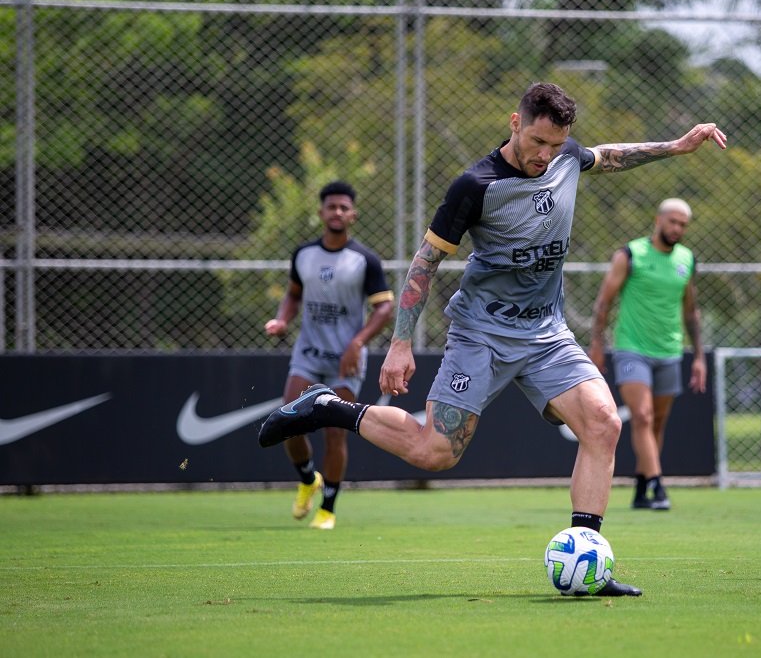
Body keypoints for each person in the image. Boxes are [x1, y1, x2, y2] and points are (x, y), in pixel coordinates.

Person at [260, 82, 726, 593]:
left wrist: (676, 146)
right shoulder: (475, 186)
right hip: (481, 334)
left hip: (547, 333)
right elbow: (425, 263)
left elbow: (611, 156)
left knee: (602, 423)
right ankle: (329, 406)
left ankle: (585, 563)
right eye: (536, 142)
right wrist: (399, 342)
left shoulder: (567, 157)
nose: (545, 155)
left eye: (556, 144)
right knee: (435, 452)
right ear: (514, 123)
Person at [264, 180, 395, 529]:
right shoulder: (304, 254)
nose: (336, 212)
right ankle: (309, 480)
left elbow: (385, 308)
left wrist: (358, 342)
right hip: (308, 354)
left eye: (343, 207)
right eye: (330, 207)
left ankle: (328, 508)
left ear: (352, 215)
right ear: (320, 213)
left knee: (335, 433)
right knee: (288, 422)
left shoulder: (364, 259)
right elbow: (293, 295)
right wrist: (281, 319)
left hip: (345, 361)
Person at [588, 197, 706, 511]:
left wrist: (698, 357)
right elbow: (603, 302)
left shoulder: (686, 259)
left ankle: (641, 490)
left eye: (683, 224)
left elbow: (691, 312)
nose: (677, 228)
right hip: (631, 350)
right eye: (672, 222)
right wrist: (597, 346)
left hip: (669, 350)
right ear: (658, 220)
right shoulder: (631, 254)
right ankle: (657, 484)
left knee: (657, 424)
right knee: (641, 416)